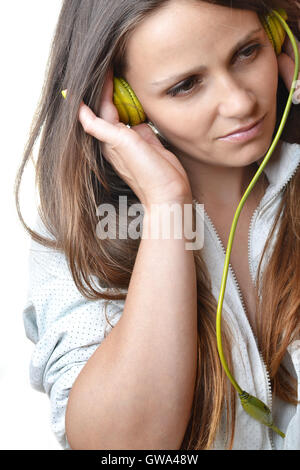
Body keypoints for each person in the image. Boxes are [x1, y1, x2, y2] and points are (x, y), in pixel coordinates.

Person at [16, 0, 300, 450]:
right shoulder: (88, 233)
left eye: (247, 52)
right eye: (186, 85)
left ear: (278, 36)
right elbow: (120, 451)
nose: (241, 102)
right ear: (123, 103)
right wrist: (168, 206)